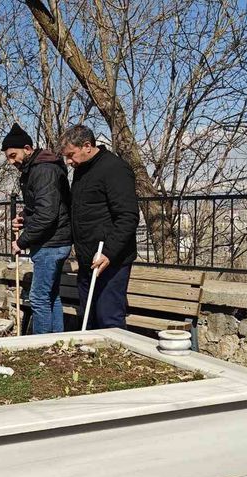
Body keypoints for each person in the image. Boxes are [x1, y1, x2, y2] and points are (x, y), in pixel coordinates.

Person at [57, 125, 139, 330]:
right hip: (88, 259)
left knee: (109, 319)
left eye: (71, 155)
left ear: (87, 146)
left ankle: (117, 352)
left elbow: (128, 216)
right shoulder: (81, 170)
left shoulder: (115, 169)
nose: (68, 161)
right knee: (89, 318)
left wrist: (109, 253)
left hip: (111, 261)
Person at [4, 123, 72, 334]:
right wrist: (24, 217)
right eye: (8, 157)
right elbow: (42, 206)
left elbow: (47, 215)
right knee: (51, 296)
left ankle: (40, 344)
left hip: (51, 243)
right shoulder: (37, 168)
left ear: (27, 148)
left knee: (39, 298)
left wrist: (21, 241)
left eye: (13, 155)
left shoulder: (43, 170)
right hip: (55, 240)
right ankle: (56, 341)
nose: (11, 161)